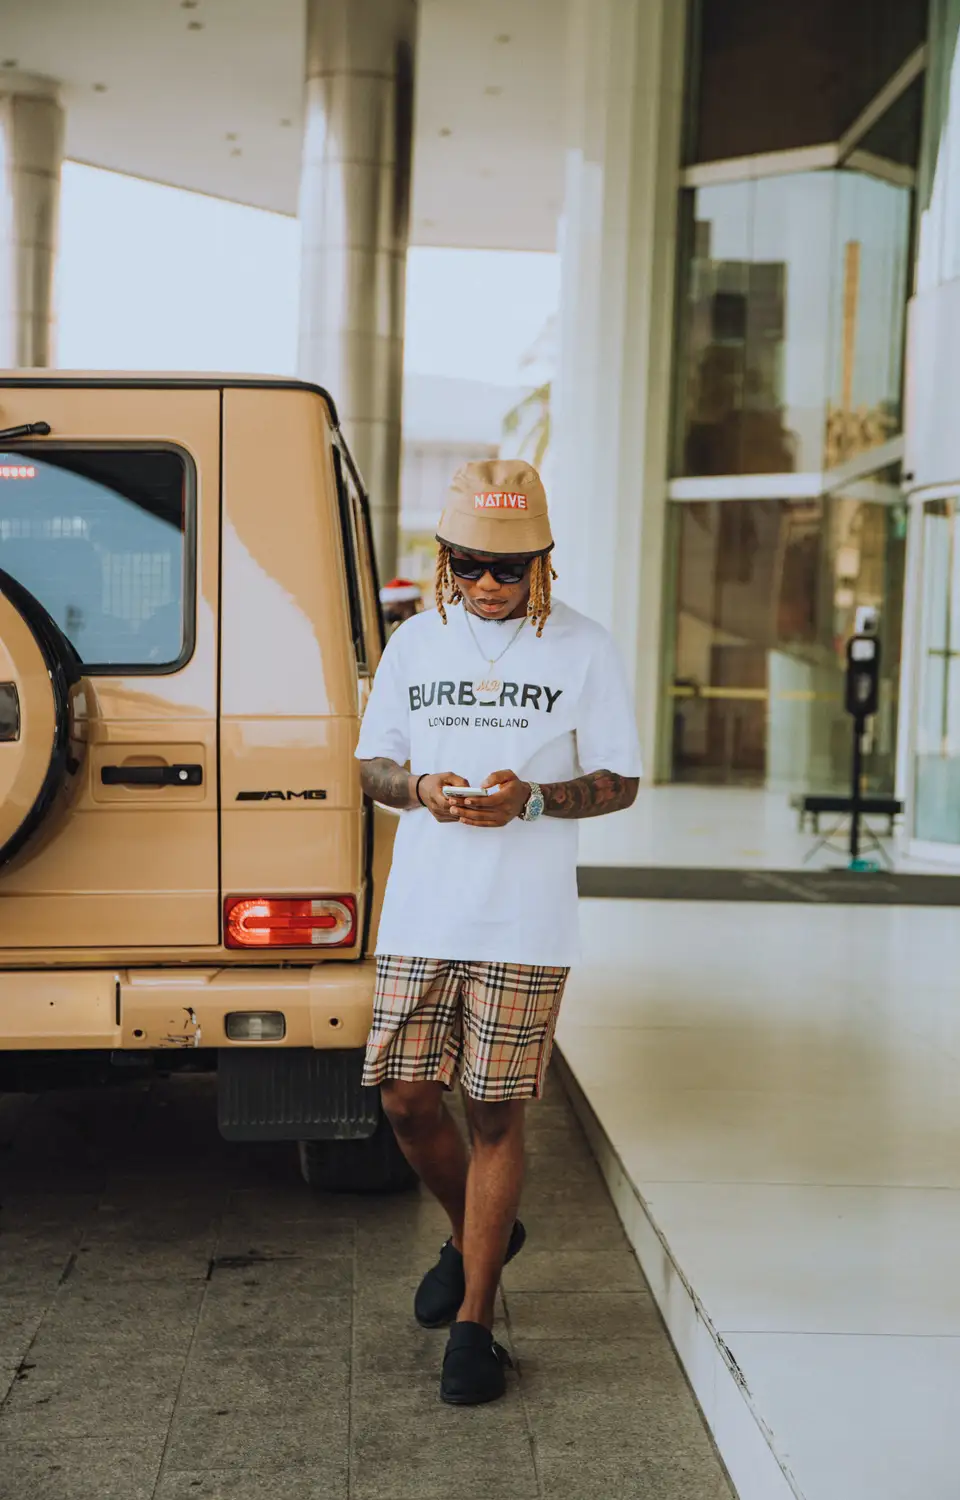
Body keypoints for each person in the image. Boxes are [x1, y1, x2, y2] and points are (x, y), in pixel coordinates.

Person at [355, 459, 641, 1405]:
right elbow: (373, 767)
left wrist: (532, 801)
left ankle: (475, 1319)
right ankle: (476, 1228)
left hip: (525, 922)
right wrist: (423, 789)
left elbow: (618, 782)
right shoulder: (412, 646)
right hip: (424, 911)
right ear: (444, 559)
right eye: (472, 565)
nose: (489, 586)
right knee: (405, 1104)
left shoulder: (585, 651)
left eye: (510, 570)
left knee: (496, 1115)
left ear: (543, 566)